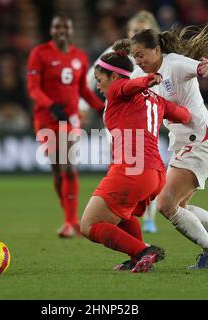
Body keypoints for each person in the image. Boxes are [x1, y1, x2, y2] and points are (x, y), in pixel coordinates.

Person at [130, 24, 208, 269]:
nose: (138, 60)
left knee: (165, 204)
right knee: (180, 207)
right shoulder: (142, 76)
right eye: (135, 55)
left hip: (200, 143)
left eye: (141, 54)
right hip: (188, 145)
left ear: (157, 50)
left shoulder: (175, 63)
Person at [80, 41, 191, 272]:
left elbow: (126, 88)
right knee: (122, 214)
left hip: (132, 170)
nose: (99, 87)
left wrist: (145, 81)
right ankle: (137, 258)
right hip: (156, 174)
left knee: (89, 225)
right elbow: (183, 115)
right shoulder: (155, 99)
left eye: (99, 80)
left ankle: (143, 250)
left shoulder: (119, 89)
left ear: (113, 77)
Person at [83, 10, 162, 233]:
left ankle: (148, 218)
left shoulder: (159, 54)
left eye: (141, 31)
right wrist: (82, 106)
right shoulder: (117, 52)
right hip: (117, 116)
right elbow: (92, 75)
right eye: (133, 31)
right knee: (122, 162)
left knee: (147, 164)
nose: (136, 34)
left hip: (143, 117)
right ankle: (123, 208)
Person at [27, 14, 104, 238]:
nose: (61, 30)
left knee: (68, 165)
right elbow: (33, 88)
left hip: (70, 119)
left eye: (65, 27)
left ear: (71, 31)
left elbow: (83, 90)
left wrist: (99, 107)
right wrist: (50, 105)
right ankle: (70, 218)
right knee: (58, 171)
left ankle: (71, 222)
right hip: (46, 118)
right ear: (51, 30)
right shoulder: (39, 54)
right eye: (57, 26)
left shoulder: (79, 56)